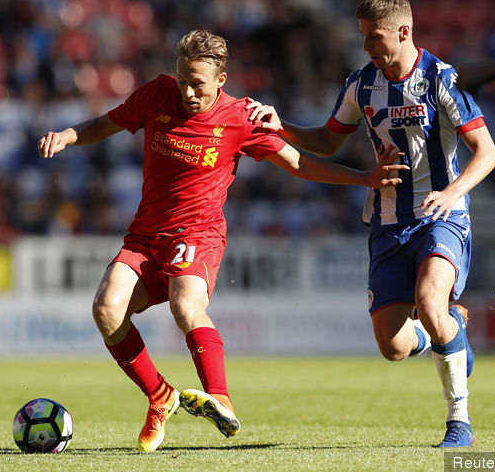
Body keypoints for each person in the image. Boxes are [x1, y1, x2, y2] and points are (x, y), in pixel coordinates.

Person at [38, 29, 408, 452]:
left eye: (197, 83)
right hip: (144, 235)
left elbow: (298, 164)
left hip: (198, 232)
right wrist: (68, 135)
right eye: (182, 81)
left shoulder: (239, 119)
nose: (188, 92)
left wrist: (364, 177)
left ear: (221, 80)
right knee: (106, 309)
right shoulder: (157, 95)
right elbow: (107, 123)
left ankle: (221, 399)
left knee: (185, 305)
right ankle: (160, 397)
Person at [246, 0, 495, 448]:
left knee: (429, 298)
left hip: (442, 216)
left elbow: (487, 153)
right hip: (387, 222)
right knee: (394, 347)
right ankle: (451, 328)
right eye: (362, 36)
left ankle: (459, 423)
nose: (366, 47)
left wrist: (451, 192)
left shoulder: (441, 78)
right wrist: (280, 126)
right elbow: (326, 141)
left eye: (373, 37)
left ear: (403, 31)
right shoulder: (362, 84)